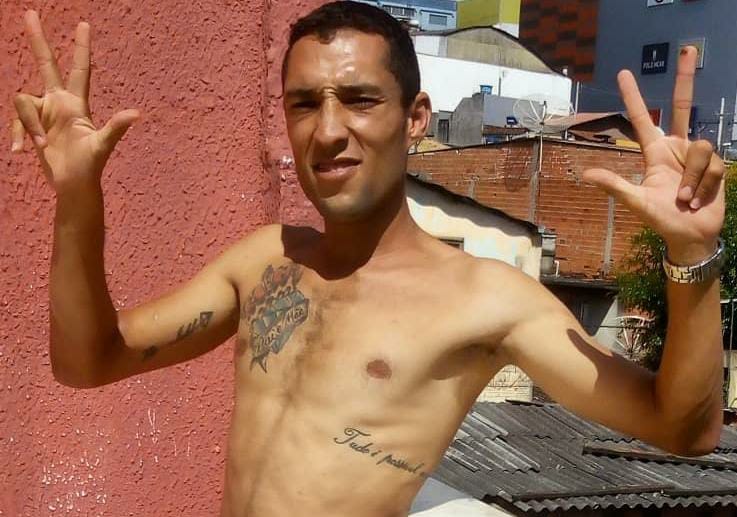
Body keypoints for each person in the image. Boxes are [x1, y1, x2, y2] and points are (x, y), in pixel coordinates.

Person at [10, 2, 726, 516]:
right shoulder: (265, 262)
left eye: (358, 100)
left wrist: (692, 252)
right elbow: (88, 360)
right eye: (303, 104)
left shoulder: (484, 298)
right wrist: (76, 197)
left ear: (415, 118)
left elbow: (683, 429)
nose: (328, 131)